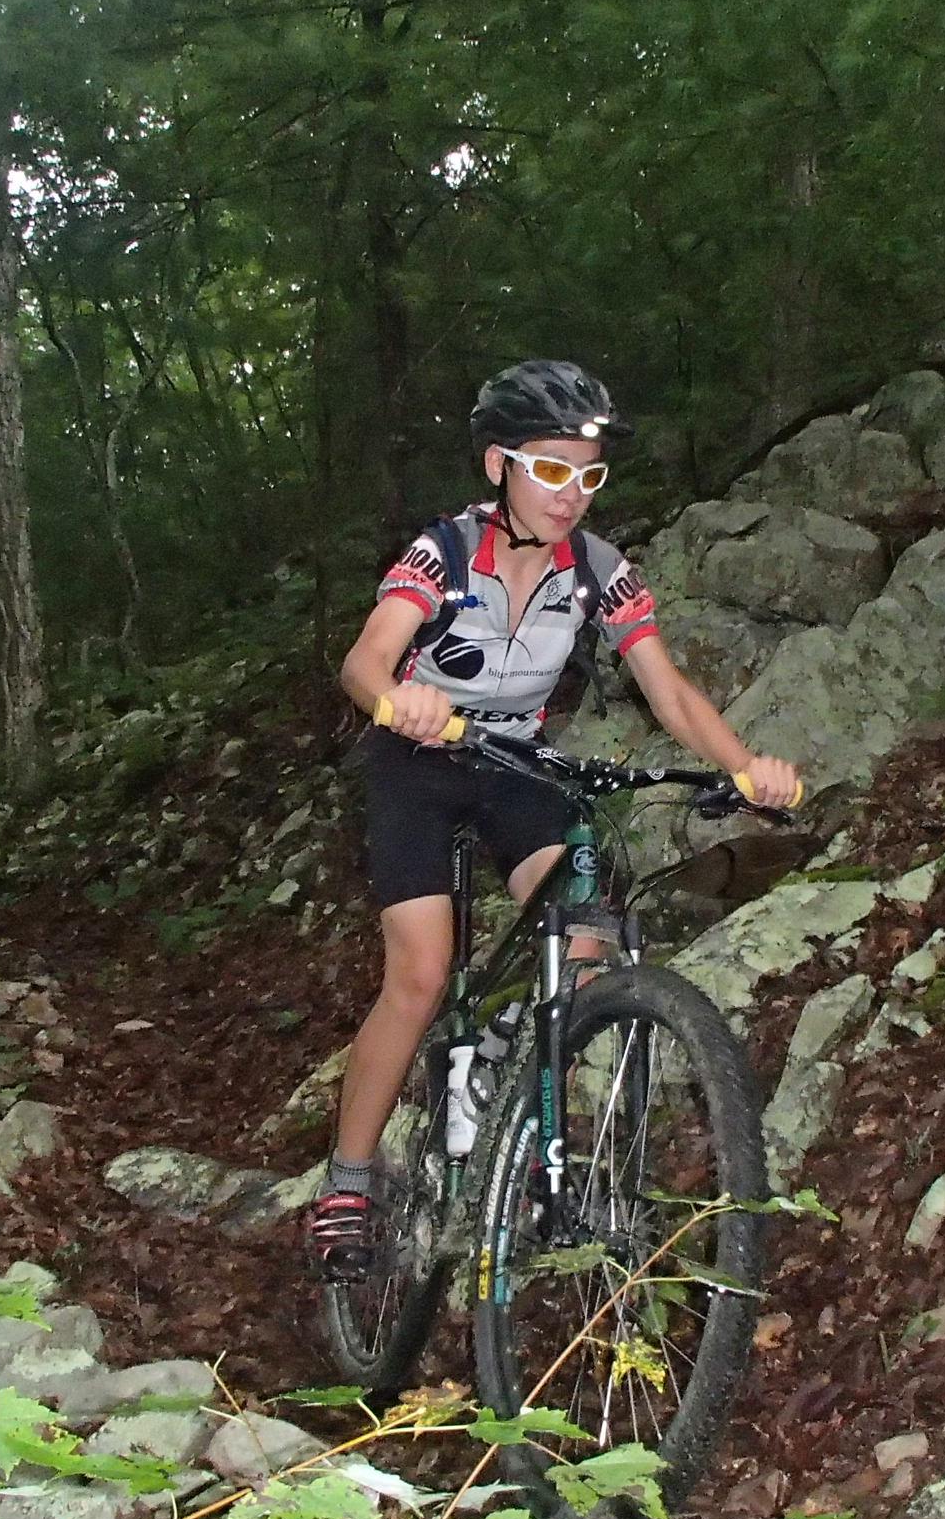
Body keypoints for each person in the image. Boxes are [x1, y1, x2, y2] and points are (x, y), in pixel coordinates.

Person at [312, 359, 804, 1280]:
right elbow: (365, 659)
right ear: (499, 465)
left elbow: (669, 691)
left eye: (587, 474)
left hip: (514, 765)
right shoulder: (443, 554)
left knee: (589, 929)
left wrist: (744, 767)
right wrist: (394, 702)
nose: (570, 494)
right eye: (549, 470)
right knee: (419, 974)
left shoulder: (600, 572)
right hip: (416, 762)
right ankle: (347, 1182)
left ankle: (494, 1057)